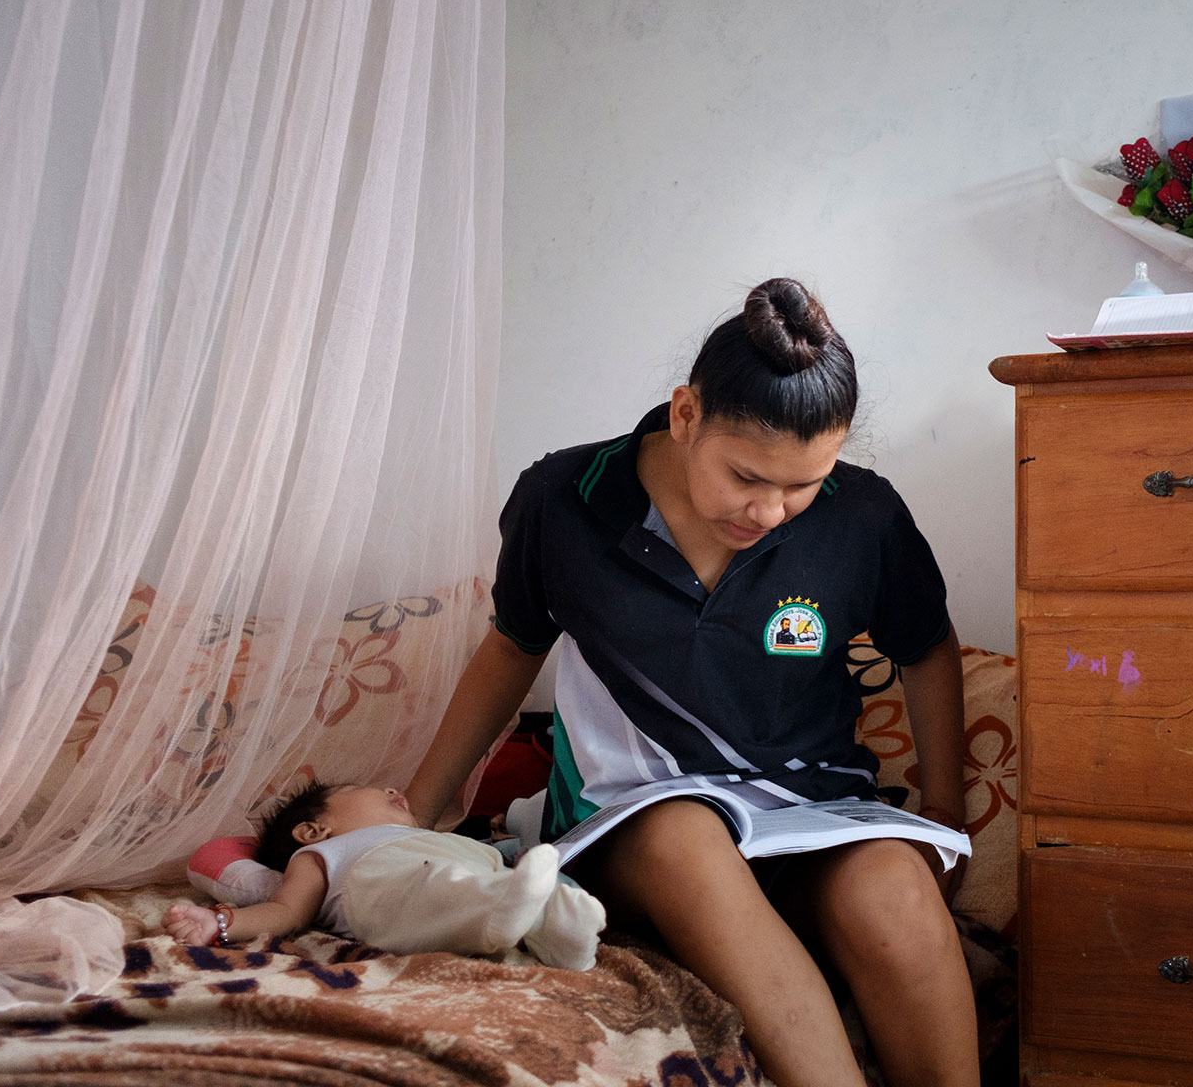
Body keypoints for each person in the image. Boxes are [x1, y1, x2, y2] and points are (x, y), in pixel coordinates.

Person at [404, 278, 979, 1087]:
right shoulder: (565, 501)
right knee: (687, 838)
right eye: (746, 477)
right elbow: (511, 650)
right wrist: (418, 812)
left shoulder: (863, 518)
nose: (772, 511)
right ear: (685, 416)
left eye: (802, 484)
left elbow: (926, 650)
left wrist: (948, 816)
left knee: (893, 890)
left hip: (809, 811)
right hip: (632, 817)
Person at [163, 780, 605, 970]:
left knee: (518, 882)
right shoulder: (321, 854)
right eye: (358, 790)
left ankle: (559, 937)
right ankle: (502, 910)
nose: (393, 790)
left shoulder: (429, 835)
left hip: (478, 868)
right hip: (386, 888)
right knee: (435, 888)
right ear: (314, 829)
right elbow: (285, 910)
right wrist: (222, 922)